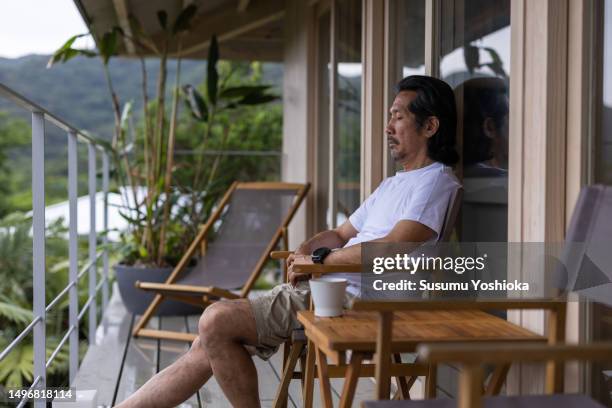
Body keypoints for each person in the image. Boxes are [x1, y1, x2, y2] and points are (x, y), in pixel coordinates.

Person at [116, 75, 461, 408]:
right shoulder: (394, 184)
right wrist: (304, 251)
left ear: (430, 127)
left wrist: (319, 262)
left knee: (214, 321)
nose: (388, 128)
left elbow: (390, 249)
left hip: (359, 303)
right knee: (208, 339)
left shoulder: (434, 184)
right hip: (332, 292)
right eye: (389, 117)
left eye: (398, 117)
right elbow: (341, 234)